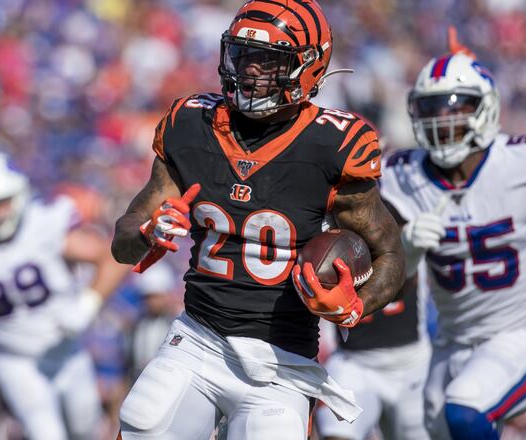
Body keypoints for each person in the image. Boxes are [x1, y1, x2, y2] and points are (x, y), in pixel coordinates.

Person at [110, 1, 405, 438]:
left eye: (268, 61)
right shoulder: (192, 125)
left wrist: (354, 306)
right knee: (143, 421)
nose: (250, 70)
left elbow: (390, 254)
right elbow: (123, 241)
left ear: (309, 66)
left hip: (282, 364)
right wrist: (147, 232)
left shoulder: (331, 146)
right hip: (197, 341)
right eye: (244, 55)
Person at [379, 30, 526, 440]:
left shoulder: (525, 161)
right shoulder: (401, 176)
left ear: (486, 108)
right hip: (452, 341)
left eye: (455, 108)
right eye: (431, 109)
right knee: (440, 427)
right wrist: (405, 249)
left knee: (467, 410)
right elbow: (383, 282)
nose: (443, 120)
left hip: (524, 331)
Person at [0, 152, 127, 440]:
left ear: (20, 196)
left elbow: (114, 256)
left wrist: (87, 304)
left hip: (66, 351)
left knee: (86, 429)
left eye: (1, 203)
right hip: (14, 360)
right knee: (46, 433)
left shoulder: (45, 225)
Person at [315, 262, 431, 440]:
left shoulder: (413, 245)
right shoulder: (330, 244)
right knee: (336, 434)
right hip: (352, 362)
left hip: (412, 362)